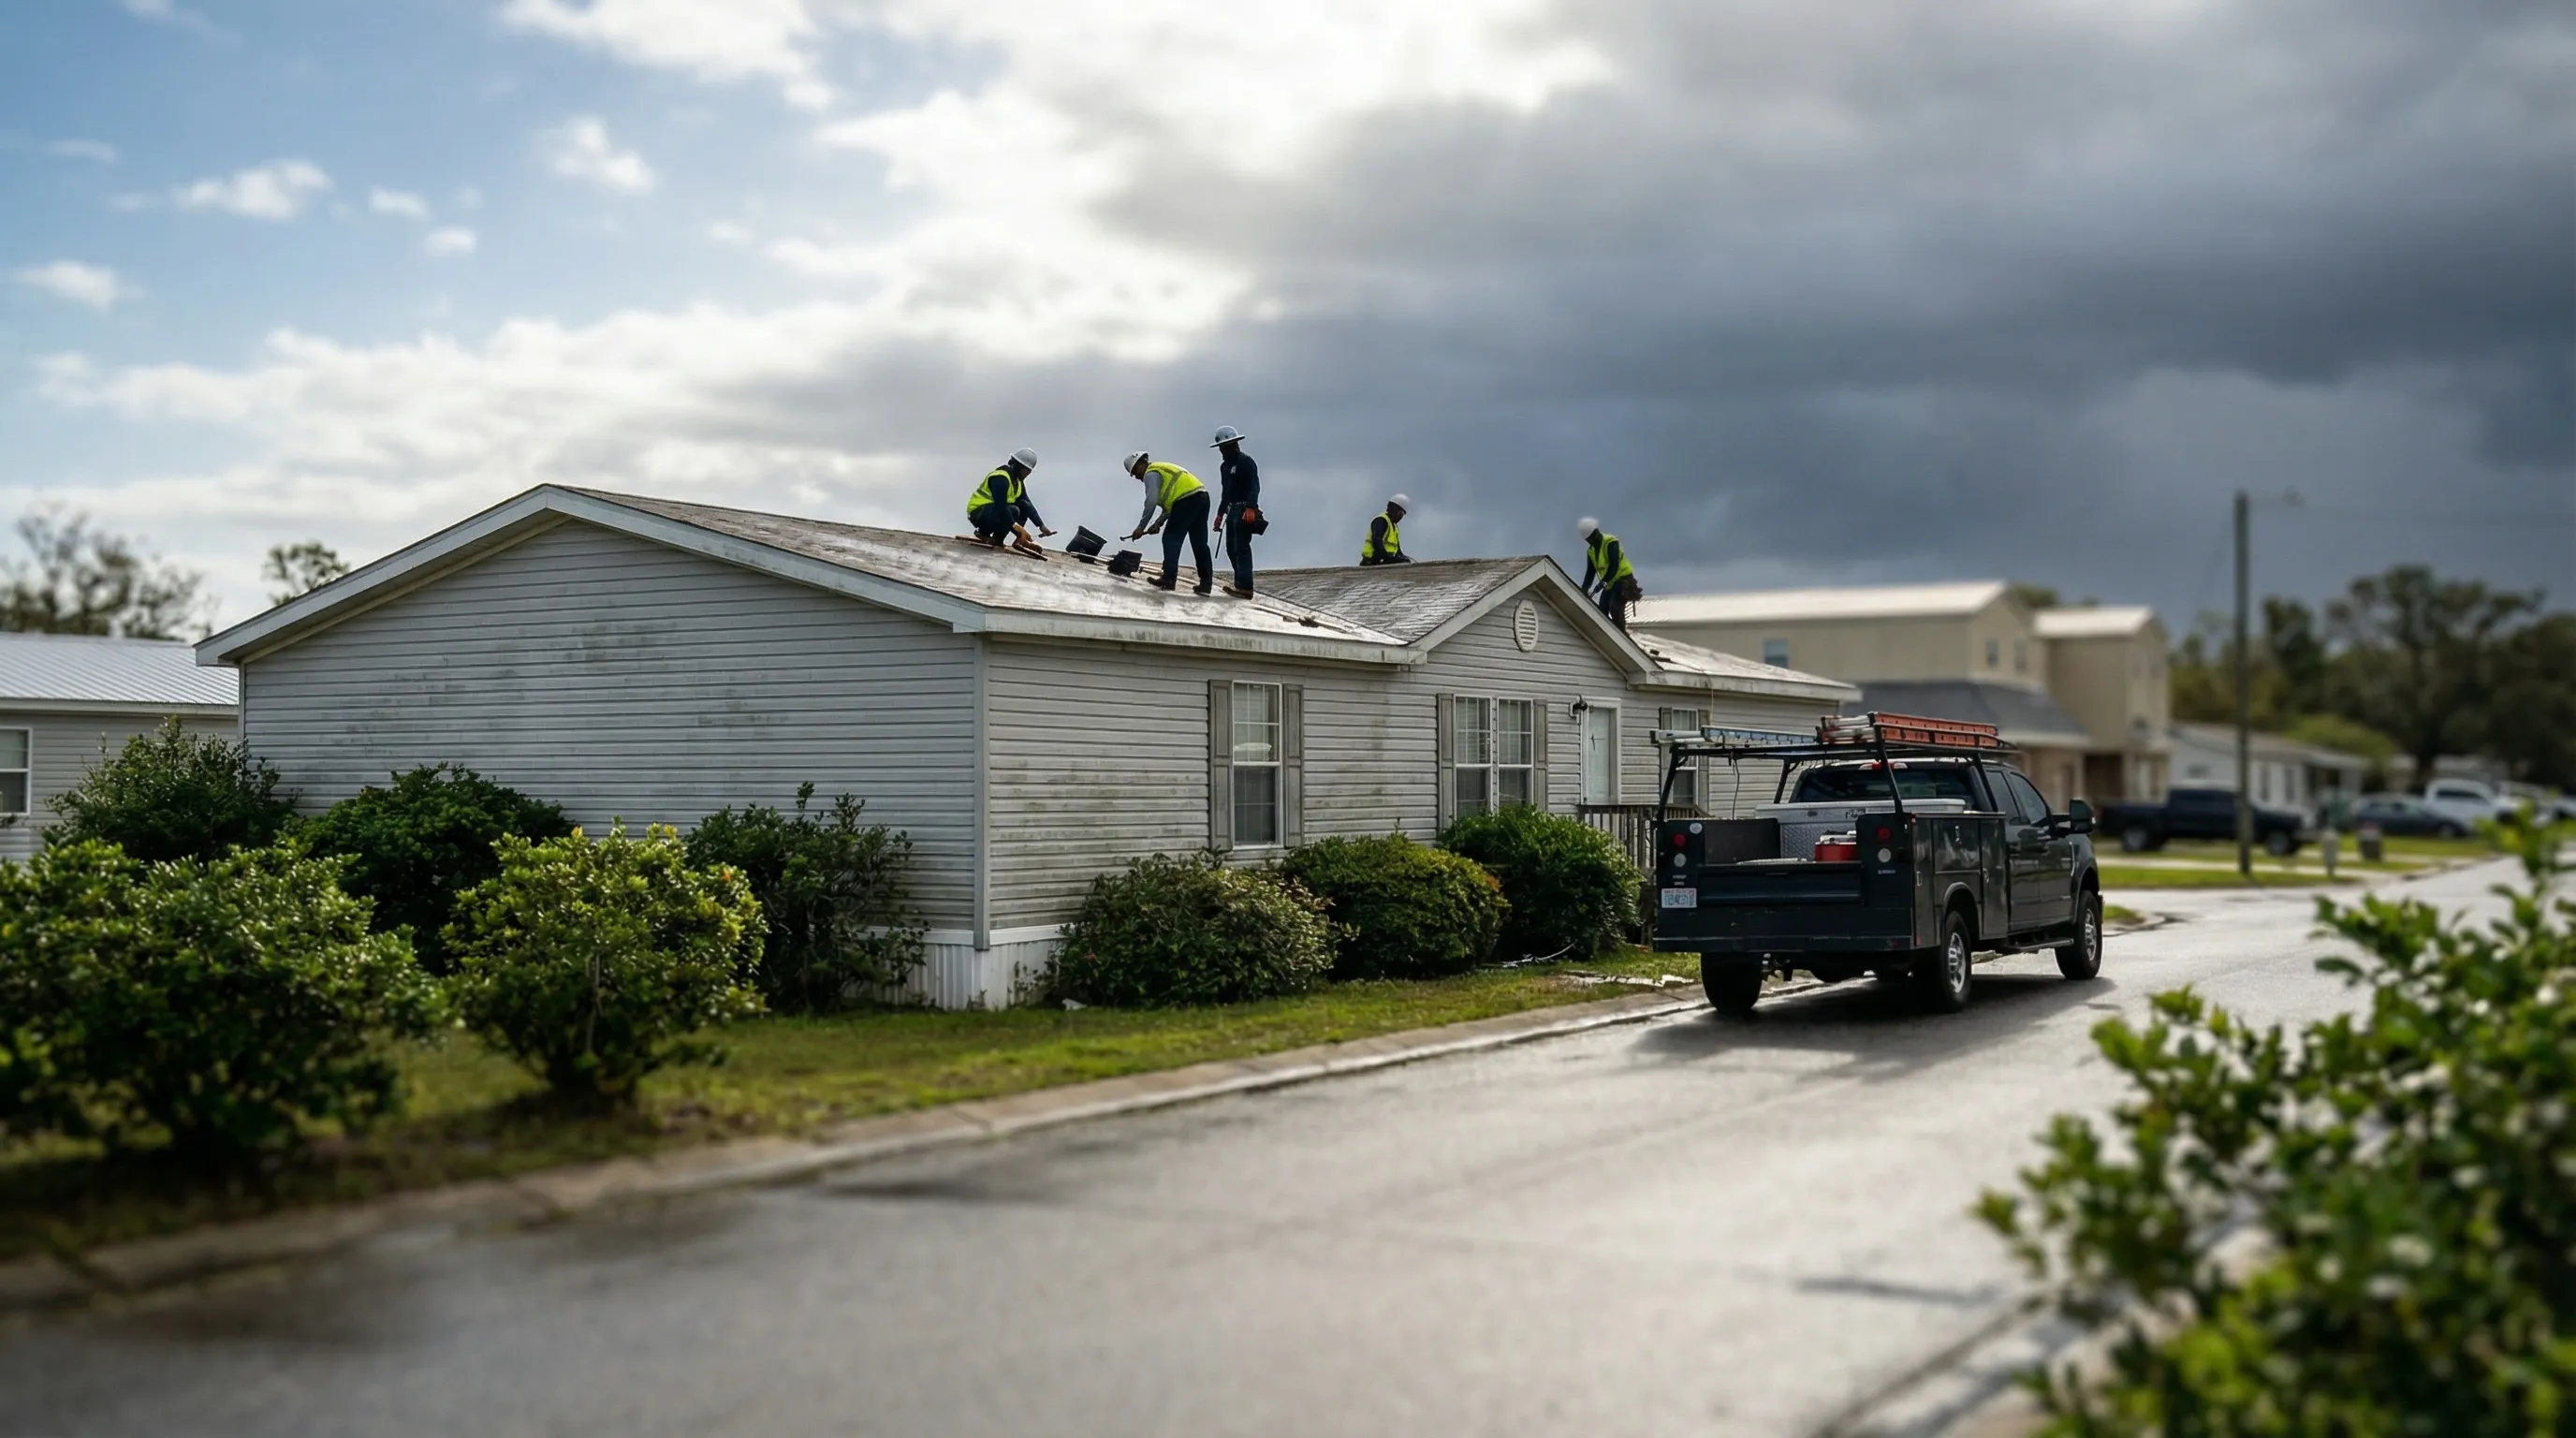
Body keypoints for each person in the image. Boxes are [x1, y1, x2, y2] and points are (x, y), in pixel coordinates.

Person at [1124, 450, 1213, 594]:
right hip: (1201, 497)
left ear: (1141, 464)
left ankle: (1168, 579)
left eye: (1135, 472)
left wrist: (1141, 527)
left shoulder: (1150, 473)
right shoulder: (1162, 470)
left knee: (1171, 538)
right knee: (1199, 543)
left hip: (1186, 501)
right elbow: (1170, 508)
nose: (1137, 477)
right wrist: (1157, 524)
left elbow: (1151, 502)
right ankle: (1206, 584)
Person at [1208, 424, 1259, 598]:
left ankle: (1245, 586)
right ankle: (1239, 583)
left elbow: (1254, 486)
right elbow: (1226, 493)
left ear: (1234, 444)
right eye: (1221, 447)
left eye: (1225, 446)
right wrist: (1220, 514)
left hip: (1244, 509)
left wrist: (1251, 507)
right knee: (1231, 547)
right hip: (1231, 511)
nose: (1222, 450)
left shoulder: (1246, 462)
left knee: (1241, 547)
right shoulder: (1224, 468)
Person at [966, 448, 1054, 548]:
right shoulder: (1000, 478)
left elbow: (1027, 504)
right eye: (1027, 471)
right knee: (1013, 510)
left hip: (997, 511)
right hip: (979, 512)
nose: (1028, 474)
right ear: (1019, 467)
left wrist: (1041, 526)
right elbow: (1001, 506)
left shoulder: (1017, 481)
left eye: (1030, 471)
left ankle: (1003, 539)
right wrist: (1017, 527)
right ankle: (983, 533)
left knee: (1023, 505)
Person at [1577, 516, 1638, 629]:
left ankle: (1622, 636)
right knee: (1602, 611)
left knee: (1615, 608)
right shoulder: (1591, 551)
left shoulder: (1610, 542)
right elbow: (1590, 572)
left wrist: (1603, 583)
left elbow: (1614, 565)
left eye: (1591, 538)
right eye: (1588, 540)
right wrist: (1584, 589)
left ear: (1596, 532)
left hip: (1623, 580)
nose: (1590, 541)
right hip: (1610, 583)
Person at [1360, 494, 1411, 565]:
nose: (1401, 517)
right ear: (1396, 510)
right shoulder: (1381, 521)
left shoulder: (1394, 526)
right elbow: (1377, 542)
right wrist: (1387, 558)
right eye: (1401, 514)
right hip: (1372, 562)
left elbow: (1397, 548)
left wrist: (1402, 557)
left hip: (1384, 562)